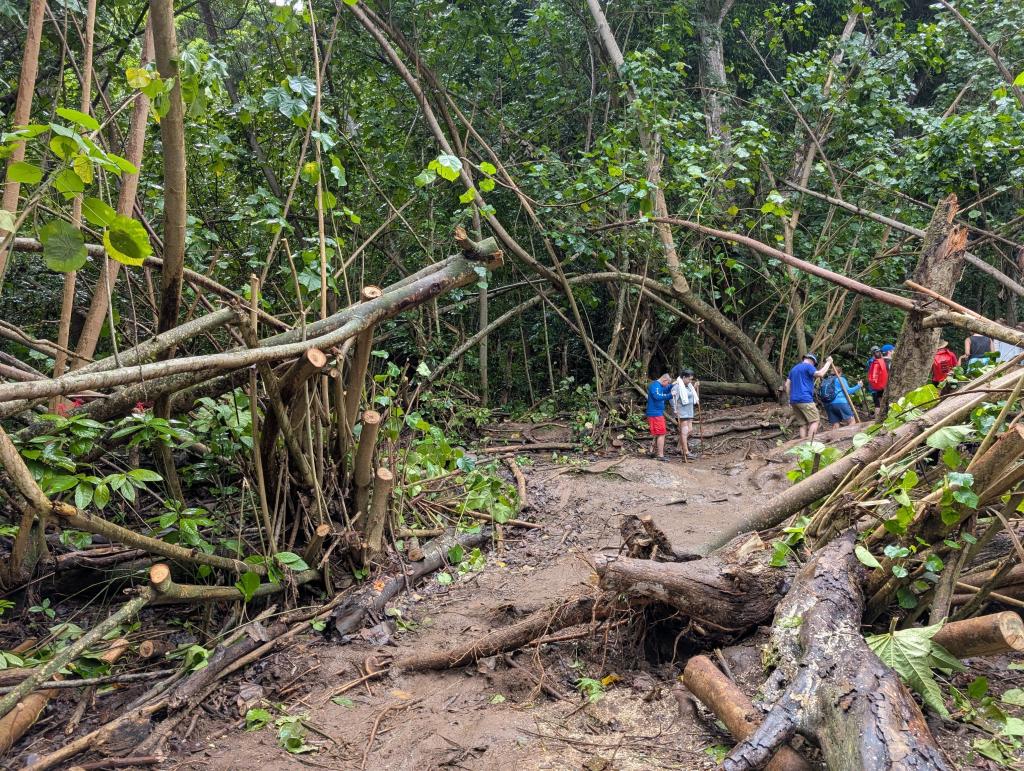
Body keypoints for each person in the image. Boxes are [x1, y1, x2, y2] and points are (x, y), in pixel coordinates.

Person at [781, 352, 833, 439]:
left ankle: (803, 445)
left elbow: (787, 385)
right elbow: (820, 374)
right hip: (805, 399)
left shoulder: (793, 369)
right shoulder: (808, 366)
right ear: (812, 361)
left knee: (803, 424)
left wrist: (790, 398)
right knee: (815, 421)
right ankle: (809, 444)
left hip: (794, 401)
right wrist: (829, 363)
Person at [671, 369, 699, 460]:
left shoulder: (688, 386)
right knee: (685, 431)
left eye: (691, 379)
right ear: (683, 377)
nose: (690, 381)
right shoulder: (677, 385)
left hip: (689, 411)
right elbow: (672, 399)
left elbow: (690, 395)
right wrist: (675, 409)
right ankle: (686, 451)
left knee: (690, 430)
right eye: (689, 379)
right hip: (682, 412)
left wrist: (694, 387)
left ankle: (678, 448)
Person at [646, 373, 673, 461]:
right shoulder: (655, 385)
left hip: (657, 413)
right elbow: (657, 396)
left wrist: (672, 385)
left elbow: (664, 390)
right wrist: (670, 395)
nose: (667, 385)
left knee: (659, 433)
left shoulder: (659, 386)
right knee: (661, 433)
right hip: (655, 414)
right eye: (668, 383)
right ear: (664, 380)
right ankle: (660, 455)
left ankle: (652, 451)